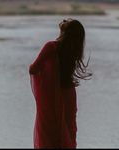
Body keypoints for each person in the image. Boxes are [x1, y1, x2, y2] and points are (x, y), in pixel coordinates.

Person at [29, 18, 92, 149]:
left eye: (67, 20)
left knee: (50, 132)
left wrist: (47, 71)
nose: (64, 19)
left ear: (66, 30)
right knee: (68, 132)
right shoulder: (73, 49)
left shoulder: (51, 47)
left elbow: (33, 69)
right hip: (69, 95)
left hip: (53, 97)